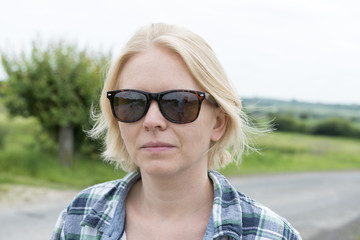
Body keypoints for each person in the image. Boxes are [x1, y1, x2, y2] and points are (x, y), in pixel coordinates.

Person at [51, 23, 301, 240]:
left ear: (218, 123)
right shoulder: (80, 217)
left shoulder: (271, 233)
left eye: (179, 103)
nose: (152, 121)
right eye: (132, 102)